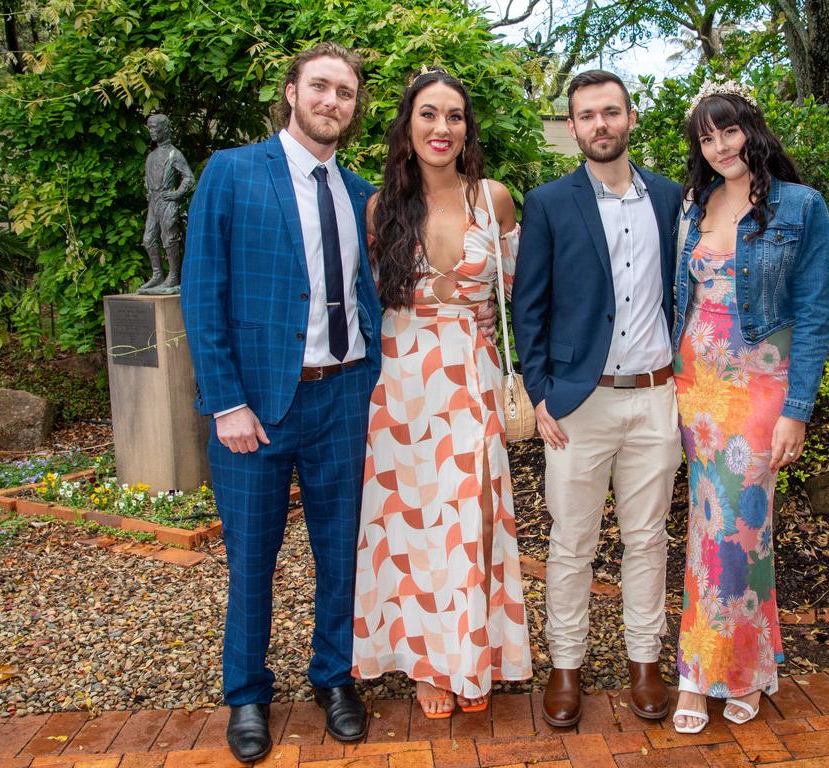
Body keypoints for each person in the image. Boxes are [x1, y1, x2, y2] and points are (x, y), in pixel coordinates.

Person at [181, 43, 380, 763]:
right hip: (258, 411)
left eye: (346, 93)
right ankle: (247, 696)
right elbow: (203, 296)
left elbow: (372, 295)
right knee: (251, 561)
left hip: (346, 396)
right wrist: (225, 402)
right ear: (292, 92)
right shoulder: (233, 174)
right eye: (321, 87)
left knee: (339, 555)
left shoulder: (360, 193)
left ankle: (333, 679)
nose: (333, 101)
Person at [352, 69, 532, 718]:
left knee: (472, 525)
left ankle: (471, 659)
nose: (441, 128)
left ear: (467, 129)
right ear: (408, 125)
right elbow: (368, 302)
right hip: (402, 387)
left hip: (473, 380)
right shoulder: (381, 209)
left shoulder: (496, 200)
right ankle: (429, 667)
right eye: (429, 114)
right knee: (414, 529)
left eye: (454, 116)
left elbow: (520, 294)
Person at [512, 70, 683, 727]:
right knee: (572, 541)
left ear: (631, 117)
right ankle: (567, 667)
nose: (600, 124)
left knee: (647, 539)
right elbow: (529, 307)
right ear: (574, 127)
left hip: (655, 398)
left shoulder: (671, 199)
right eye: (587, 115)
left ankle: (646, 662)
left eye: (610, 112)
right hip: (579, 404)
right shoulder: (550, 203)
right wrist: (542, 393)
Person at [670, 82, 829, 733]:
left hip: (759, 388)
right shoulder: (695, 204)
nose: (719, 147)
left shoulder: (801, 206)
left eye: (728, 131)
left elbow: (815, 313)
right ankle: (750, 667)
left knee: (735, 528)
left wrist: (798, 408)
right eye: (707, 138)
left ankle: (707, 673)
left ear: (752, 129)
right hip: (694, 385)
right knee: (711, 529)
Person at [138, 113, 195, 294]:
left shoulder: (174, 154)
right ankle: (157, 275)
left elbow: (189, 178)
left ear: (165, 129)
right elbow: (148, 180)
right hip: (154, 202)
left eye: (155, 127)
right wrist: (149, 193)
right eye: (150, 128)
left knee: (169, 238)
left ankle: (173, 276)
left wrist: (176, 194)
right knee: (148, 239)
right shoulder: (151, 156)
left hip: (167, 201)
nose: (152, 131)